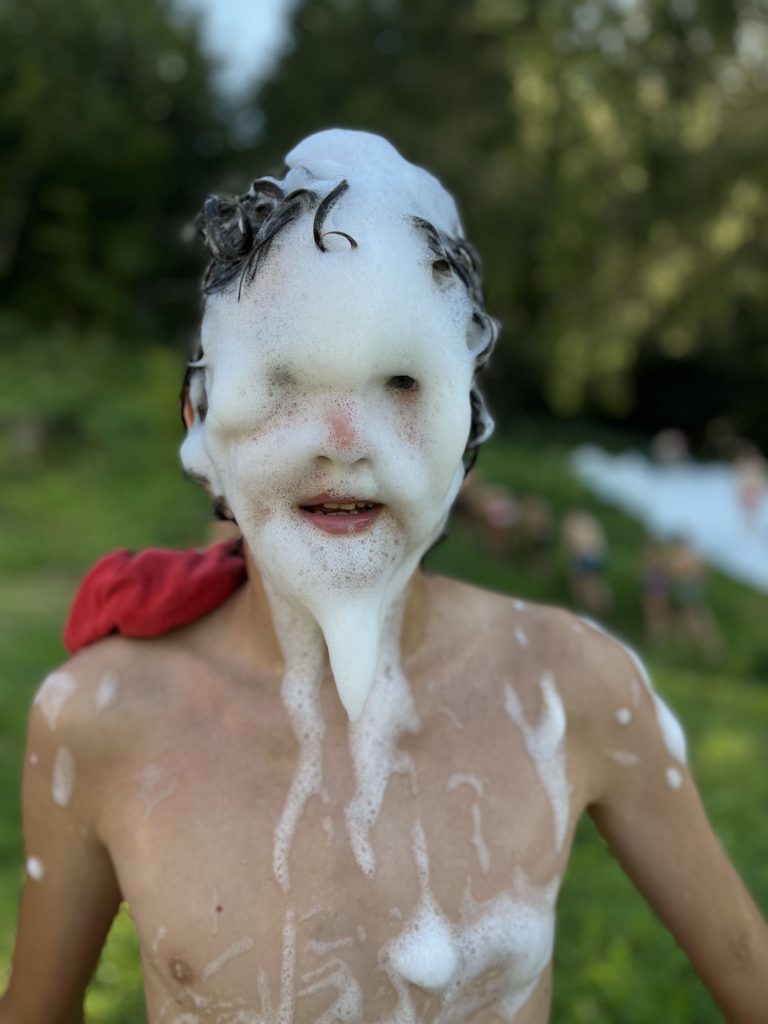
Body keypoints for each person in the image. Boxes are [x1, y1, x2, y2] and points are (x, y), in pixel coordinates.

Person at [2, 130, 766, 1024]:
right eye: (285, 379)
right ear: (201, 418)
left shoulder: (572, 687)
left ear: (464, 422)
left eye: (401, 381)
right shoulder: (100, 719)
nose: (345, 440)